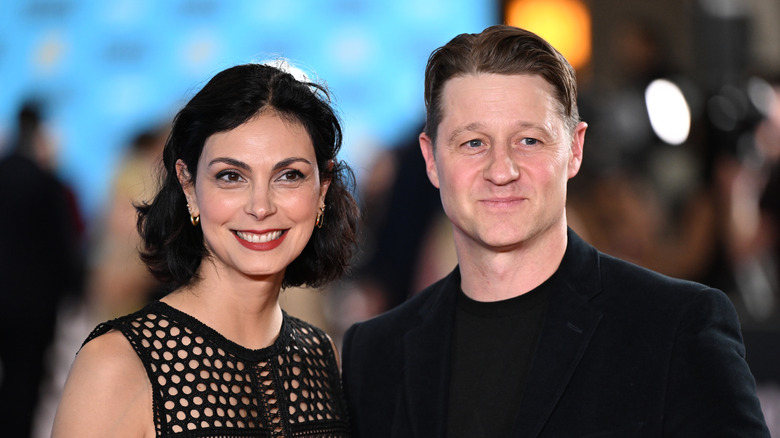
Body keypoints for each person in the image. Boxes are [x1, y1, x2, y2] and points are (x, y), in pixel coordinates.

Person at [341, 25, 770, 437]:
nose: (501, 171)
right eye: (473, 143)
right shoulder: (375, 354)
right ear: (431, 159)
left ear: (575, 149)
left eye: (528, 141)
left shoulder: (676, 327)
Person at [52, 61, 358, 437]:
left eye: (288, 175)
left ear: (322, 189)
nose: (261, 207)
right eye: (231, 176)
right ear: (189, 187)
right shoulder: (117, 364)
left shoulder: (321, 356)